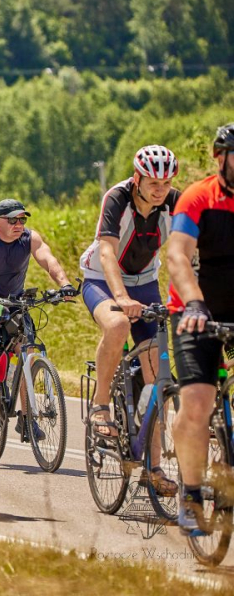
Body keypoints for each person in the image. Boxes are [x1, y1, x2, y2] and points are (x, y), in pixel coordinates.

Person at [79, 145, 181, 499]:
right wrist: (120, 298)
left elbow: (190, 250)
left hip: (146, 282)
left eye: (165, 182)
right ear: (137, 178)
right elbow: (107, 250)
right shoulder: (117, 197)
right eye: (153, 182)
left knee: (157, 375)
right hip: (100, 279)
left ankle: (153, 468)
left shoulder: (174, 203)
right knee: (118, 325)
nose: (159, 189)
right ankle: (101, 404)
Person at [167, 123, 234, 533]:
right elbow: (177, 255)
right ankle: (191, 494)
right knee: (196, 404)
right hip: (197, 314)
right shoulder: (198, 198)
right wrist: (194, 301)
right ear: (220, 157)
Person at [0, 199, 77, 441]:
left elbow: (48, 260)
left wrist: (64, 285)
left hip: (15, 301)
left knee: (26, 352)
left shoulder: (30, 238)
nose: (19, 224)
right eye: (12, 220)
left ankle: (26, 420)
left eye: (22, 219)